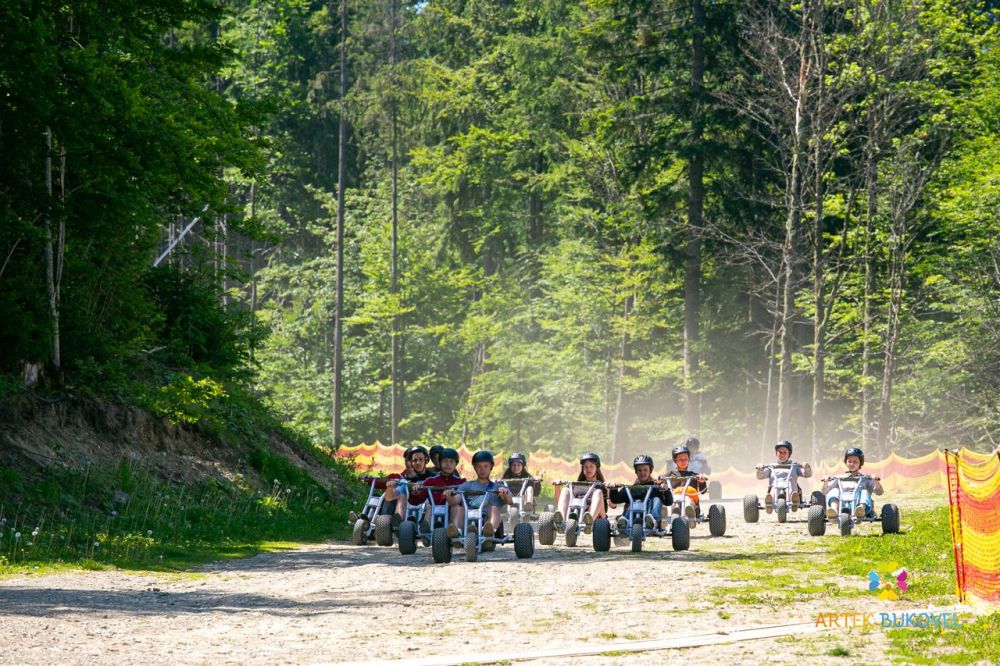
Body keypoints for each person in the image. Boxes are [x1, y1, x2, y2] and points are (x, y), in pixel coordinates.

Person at [447, 451, 512, 538]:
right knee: (457, 508)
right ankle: (457, 532)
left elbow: (510, 501)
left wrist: (504, 494)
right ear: (474, 467)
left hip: (487, 520)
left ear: (491, 467)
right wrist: (449, 496)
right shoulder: (466, 486)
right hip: (467, 520)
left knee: (494, 508)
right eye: (479, 466)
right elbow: (454, 501)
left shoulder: (498, 487)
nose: (482, 470)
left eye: (485, 466)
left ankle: (489, 531)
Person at [609, 454, 673, 531]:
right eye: (639, 470)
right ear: (636, 472)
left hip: (649, 517)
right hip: (632, 519)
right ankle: (625, 522)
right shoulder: (631, 489)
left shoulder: (656, 487)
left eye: (645, 470)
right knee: (635, 501)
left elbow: (668, 502)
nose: (642, 473)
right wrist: (613, 489)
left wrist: (666, 491)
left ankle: (653, 521)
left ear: (650, 471)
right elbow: (615, 500)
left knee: (657, 499)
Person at [553, 452, 611, 530]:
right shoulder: (575, 485)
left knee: (598, 492)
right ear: (582, 468)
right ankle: (561, 521)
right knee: (565, 490)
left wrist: (609, 490)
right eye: (586, 466)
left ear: (597, 468)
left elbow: (612, 505)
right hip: (578, 512)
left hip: (598, 516)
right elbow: (559, 501)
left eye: (591, 466)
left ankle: (589, 522)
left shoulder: (602, 485)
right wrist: (557, 487)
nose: (588, 469)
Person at [823, 447, 883, 519]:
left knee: (864, 491)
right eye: (849, 461)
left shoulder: (866, 478)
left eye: (855, 462)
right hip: (841, 506)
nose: (852, 464)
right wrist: (826, 482)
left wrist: (876, 481)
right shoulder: (839, 478)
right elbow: (825, 492)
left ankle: (860, 509)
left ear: (860, 463)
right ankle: (834, 510)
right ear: (846, 462)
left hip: (860, 506)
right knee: (834, 490)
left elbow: (879, 492)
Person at [755, 440, 812, 513]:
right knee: (774, 487)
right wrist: (760, 470)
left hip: (791, 487)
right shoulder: (771, 467)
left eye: (785, 452)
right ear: (776, 454)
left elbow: (807, 474)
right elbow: (760, 476)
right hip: (775, 487)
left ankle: (794, 501)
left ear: (789, 454)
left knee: (790, 483)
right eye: (780, 452)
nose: (782, 455)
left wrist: (806, 468)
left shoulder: (795, 466)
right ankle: (770, 503)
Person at [385, 445, 433, 525]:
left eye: (421, 459)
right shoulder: (405, 479)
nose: (418, 463)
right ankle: (398, 521)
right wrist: (390, 488)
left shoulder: (433, 477)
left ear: (426, 460)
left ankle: (426, 525)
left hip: (428, 506)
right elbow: (394, 494)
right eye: (415, 460)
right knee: (401, 493)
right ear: (411, 463)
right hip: (409, 506)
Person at [422, 447, 465, 531]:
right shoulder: (430, 481)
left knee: (457, 507)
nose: (448, 464)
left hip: (452, 512)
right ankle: (426, 530)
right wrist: (416, 491)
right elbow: (419, 498)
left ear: (455, 464)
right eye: (445, 461)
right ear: (440, 463)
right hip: (435, 510)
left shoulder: (461, 482)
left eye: (451, 462)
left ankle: (454, 530)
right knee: (430, 508)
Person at [665, 444, 708, 518]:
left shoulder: (693, 475)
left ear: (689, 460)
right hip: (674, 500)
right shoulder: (669, 475)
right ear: (675, 460)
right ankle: (671, 512)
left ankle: (689, 512)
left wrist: (702, 482)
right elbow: (661, 487)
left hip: (690, 500)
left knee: (687, 500)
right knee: (673, 500)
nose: (683, 461)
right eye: (680, 459)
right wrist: (658, 481)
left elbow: (703, 491)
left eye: (686, 459)